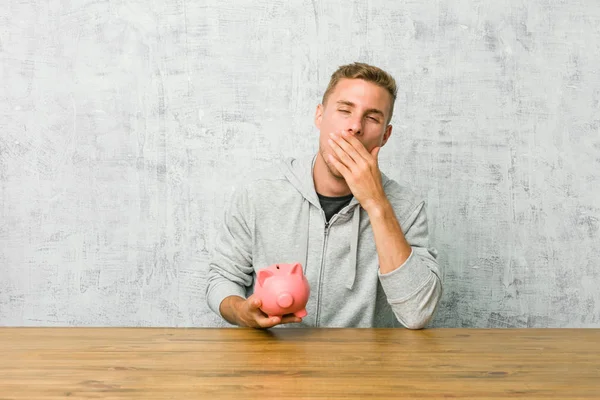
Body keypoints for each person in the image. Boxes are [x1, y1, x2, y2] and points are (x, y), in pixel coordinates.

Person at [206, 62, 442, 329]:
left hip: (364, 367)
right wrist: (241, 311)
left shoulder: (406, 208)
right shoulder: (260, 192)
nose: (355, 126)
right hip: (274, 363)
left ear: (385, 135)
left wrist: (376, 205)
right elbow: (222, 277)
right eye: (344, 110)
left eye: (372, 117)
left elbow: (418, 314)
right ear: (320, 116)